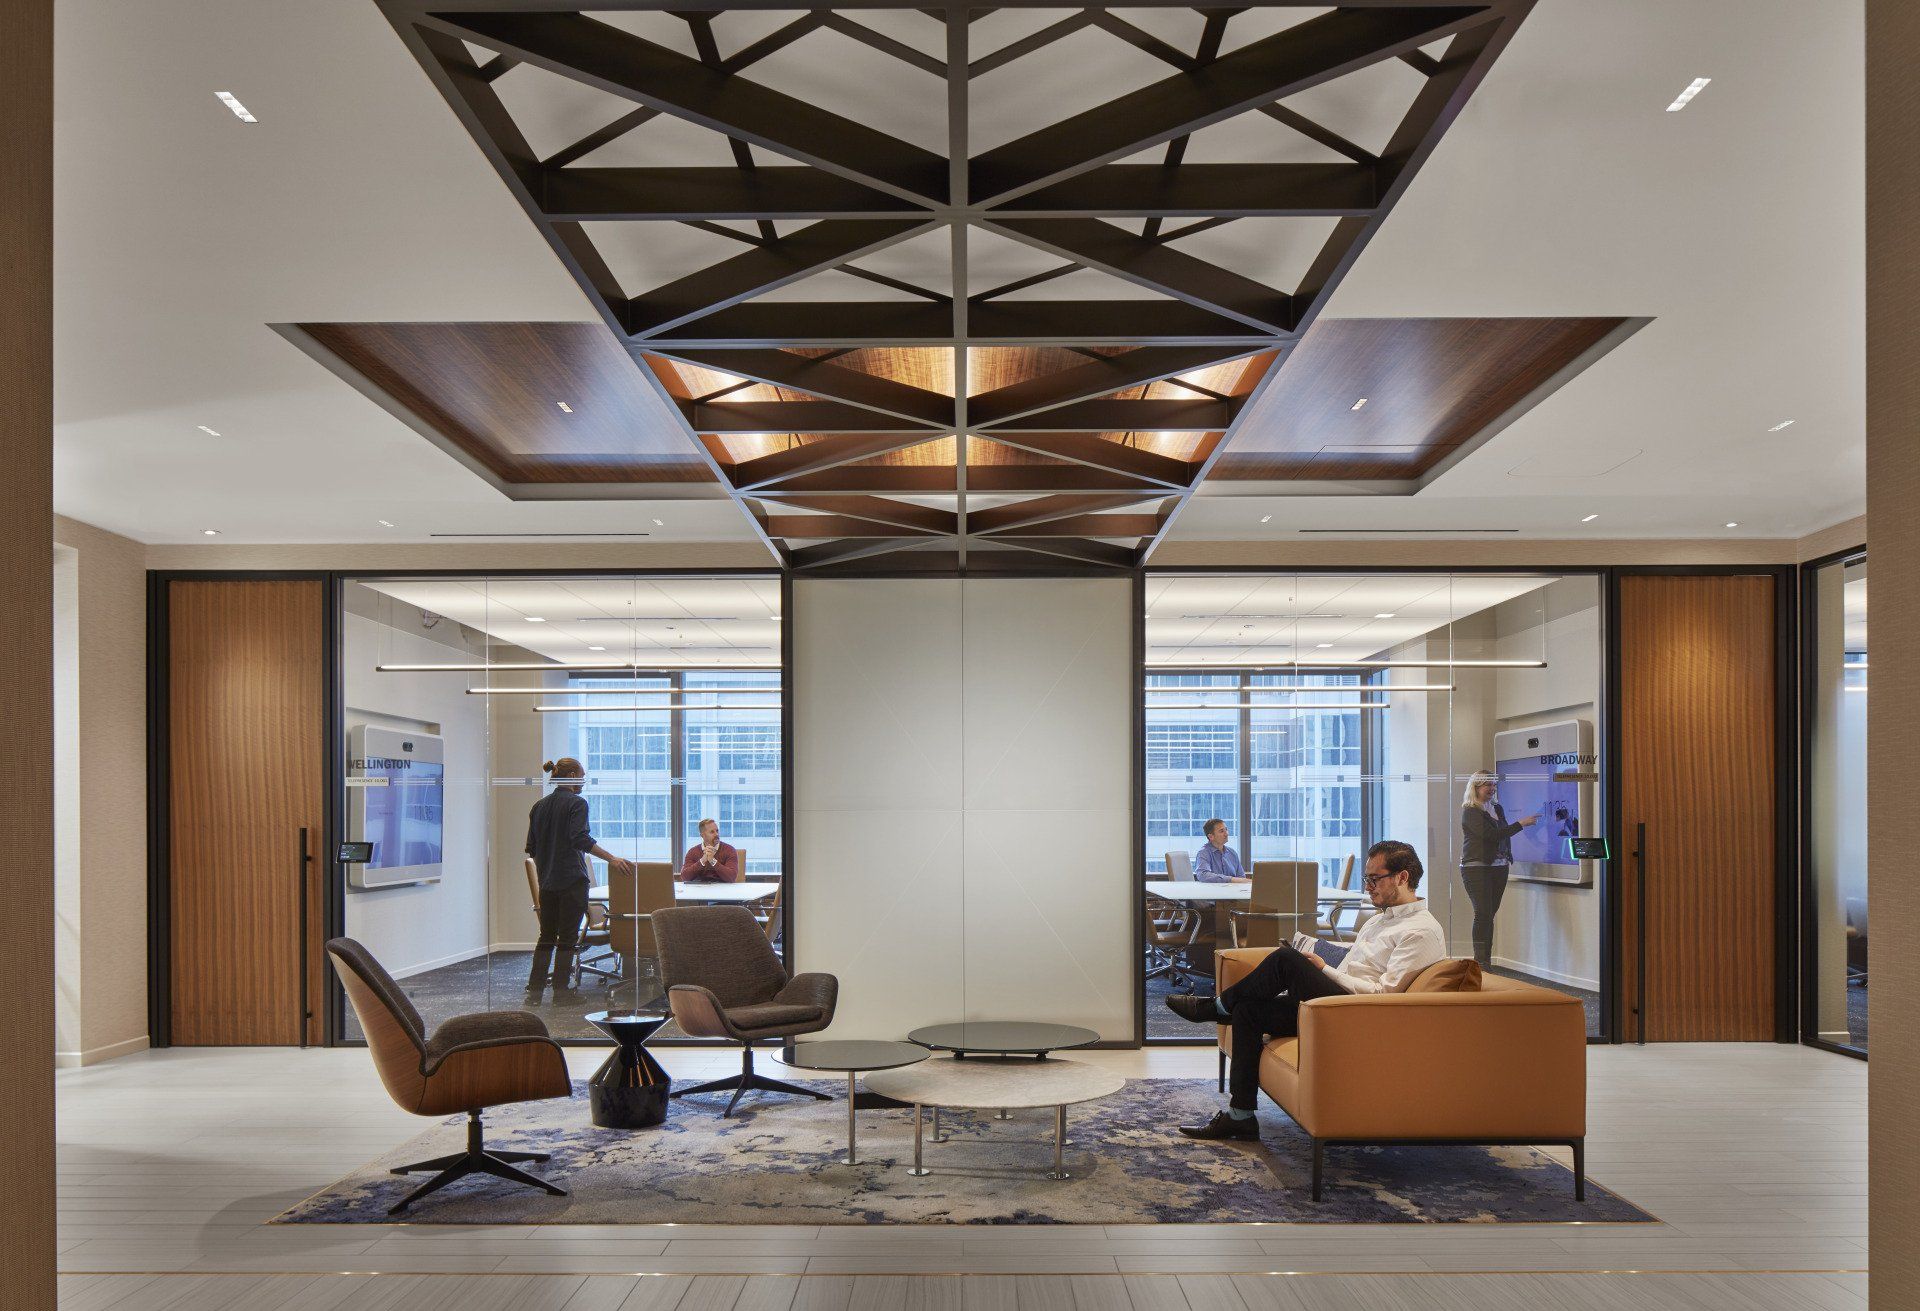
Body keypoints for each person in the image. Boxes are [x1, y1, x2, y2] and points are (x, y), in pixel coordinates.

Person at [1163, 840, 1446, 1140]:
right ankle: (1241, 1116)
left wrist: (1323, 969)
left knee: (1286, 960)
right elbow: (1354, 965)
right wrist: (1318, 957)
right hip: (1334, 1004)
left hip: (1359, 1014)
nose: (1368, 887)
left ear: (1402, 877)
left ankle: (1216, 1007)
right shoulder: (1379, 921)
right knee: (1247, 1011)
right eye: (1366, 879)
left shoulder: (1420, 930)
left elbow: (1383, 995)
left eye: (1375, 879)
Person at [523, 758, 632, 1004]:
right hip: (571, 880)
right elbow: (580, 839)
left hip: (547, 882)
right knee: (568, 938)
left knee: (546, 937)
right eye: (582, 776)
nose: (583, 781)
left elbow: (532, 849)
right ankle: (561, 993)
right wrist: (612, 858)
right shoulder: (577, 803)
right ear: (572, 776)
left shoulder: (538, 806)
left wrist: (547, 871)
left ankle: (535, 991)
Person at [1459, 770, 1539, 967]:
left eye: (1494, 785)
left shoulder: (1497, 808)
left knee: (1489, 914)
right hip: (1476, 868)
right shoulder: (1470, 811)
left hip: (1499, 867)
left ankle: (1486, 962)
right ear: (1476, 787)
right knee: (1483, 913)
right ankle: (1480, 962)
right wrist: (1521, 823)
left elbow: (1502, 836)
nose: (1492, 789)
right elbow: (1493, 835)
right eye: (1488, 785)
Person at [679, 816, 742, 884]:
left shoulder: (729, 850)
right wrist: (702, 861)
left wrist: (712, 861)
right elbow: (685, 877)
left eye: (717, 831)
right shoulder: (693, 852)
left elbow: (731, 877)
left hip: (723, 891)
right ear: (702, 835)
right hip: (700, 890)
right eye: (712, 832)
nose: (716, 834)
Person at [1192, 818, 1252, 884]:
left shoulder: (1232, 853)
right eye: (1221, 831)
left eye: (1226, 830)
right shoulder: (1203, 853)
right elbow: (1203, 875)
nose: (1226, 834)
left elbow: (1241, 877)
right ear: (1211, 836)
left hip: (1234, 892)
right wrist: (1231, 879)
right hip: (1213, 893)